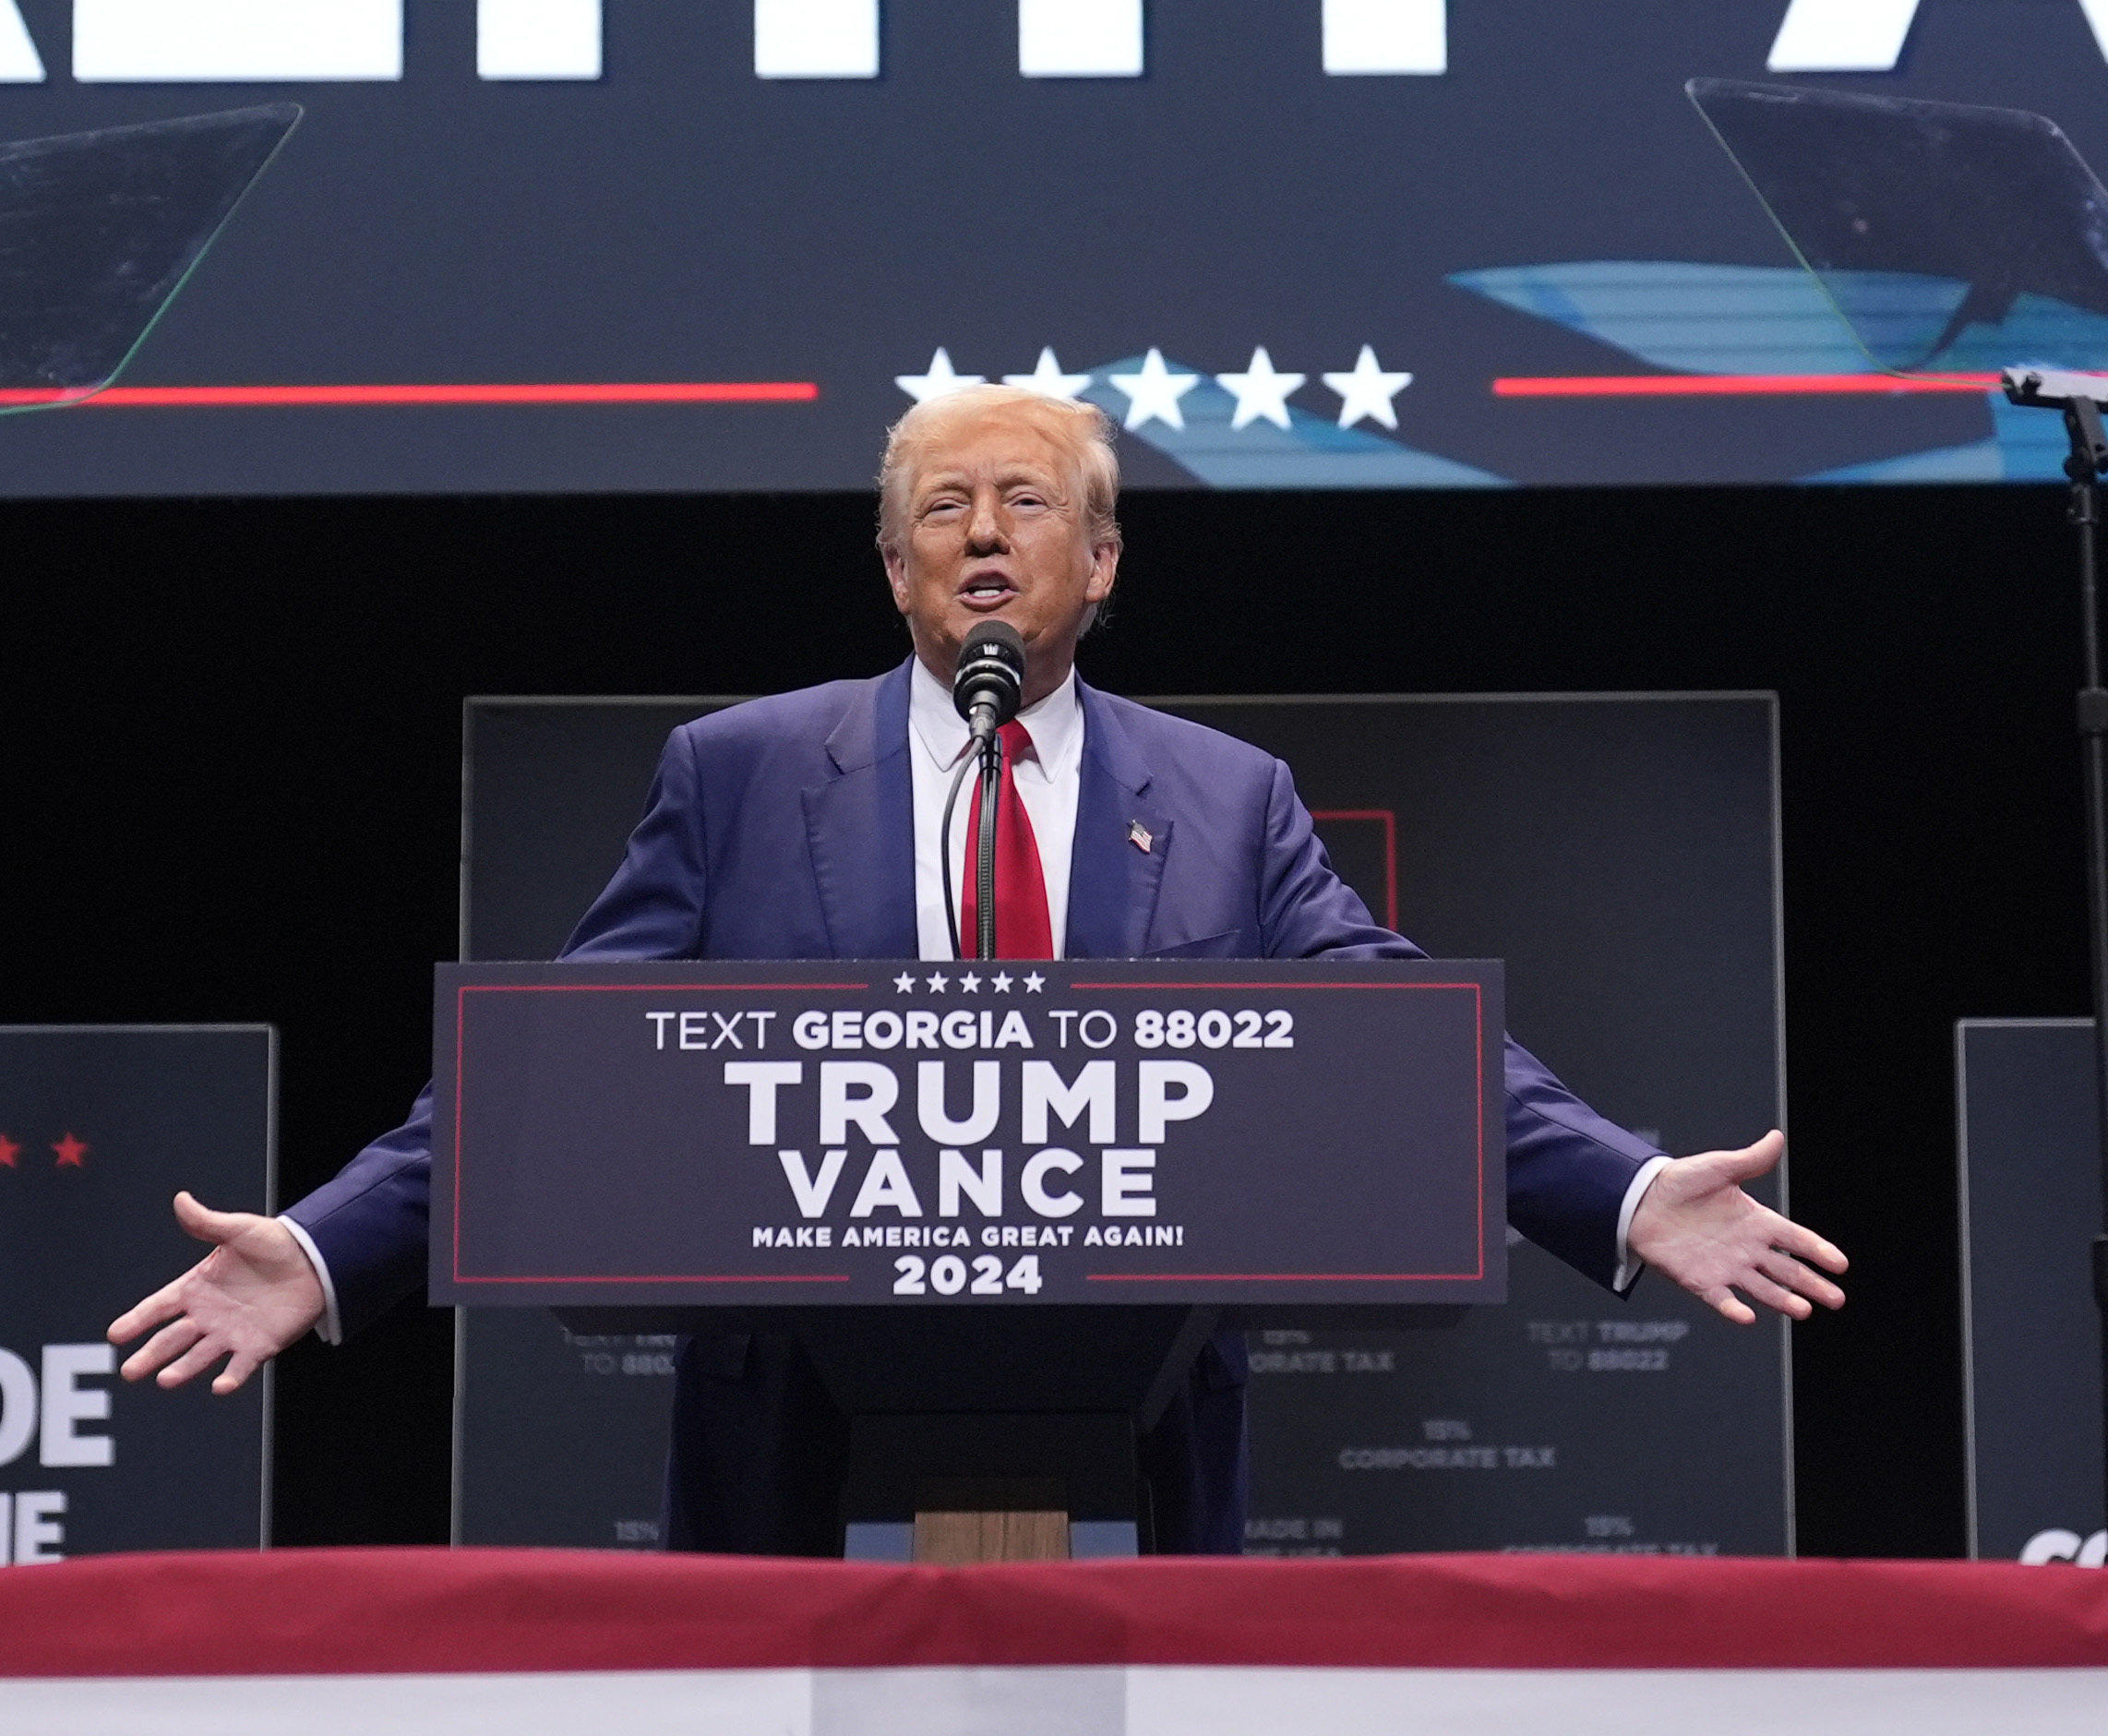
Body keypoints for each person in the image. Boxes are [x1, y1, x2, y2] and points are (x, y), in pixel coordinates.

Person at [113, 383, 1846, 1553]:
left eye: (1026, 500)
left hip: (1136, 1408)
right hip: (790, 1411)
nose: (981, 532)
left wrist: (1620, 1192)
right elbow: (566, 1065)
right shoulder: (739, 768)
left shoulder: (1226, 798)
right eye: (940, 507)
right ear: (892, 567)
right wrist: (332, 1242)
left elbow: (1396, 1034)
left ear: (1098, 562)